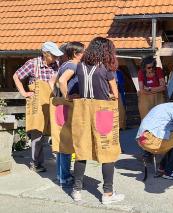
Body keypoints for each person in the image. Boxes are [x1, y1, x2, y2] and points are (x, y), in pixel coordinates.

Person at [62, 37, 124, 204]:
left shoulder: (80, 66)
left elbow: (65, 82)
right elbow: (115, 93)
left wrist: (69, 96)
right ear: (106, 50)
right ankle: (107, 193)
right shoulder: (106, 68)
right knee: (107, 152)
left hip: (83, 112)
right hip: (103, 112)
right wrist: (111, 96)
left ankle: (76, 190)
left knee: (82, 151)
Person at [13, 41, 63, 172]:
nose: (56, 58)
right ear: (45, 54)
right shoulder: (32, 64)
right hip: (38, 102)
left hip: (52, 100)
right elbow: (16, 76)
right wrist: (24, 93)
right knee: (37, 132)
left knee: (56, 130)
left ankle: (61, 161)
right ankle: (35, 163)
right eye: (53, 55)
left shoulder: (57, 65)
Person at [49, 42, 84, 187]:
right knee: (67, 144)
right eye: (83, 52)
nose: (85, 55)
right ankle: (64, 177)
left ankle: (60, 174)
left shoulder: (64, 64)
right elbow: (62, 81)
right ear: (76, 54)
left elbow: (52, 81)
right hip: (67, 107)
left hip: (60, 106)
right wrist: (67, 96)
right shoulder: (73, 65)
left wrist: (58, 95)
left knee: (62, 142)